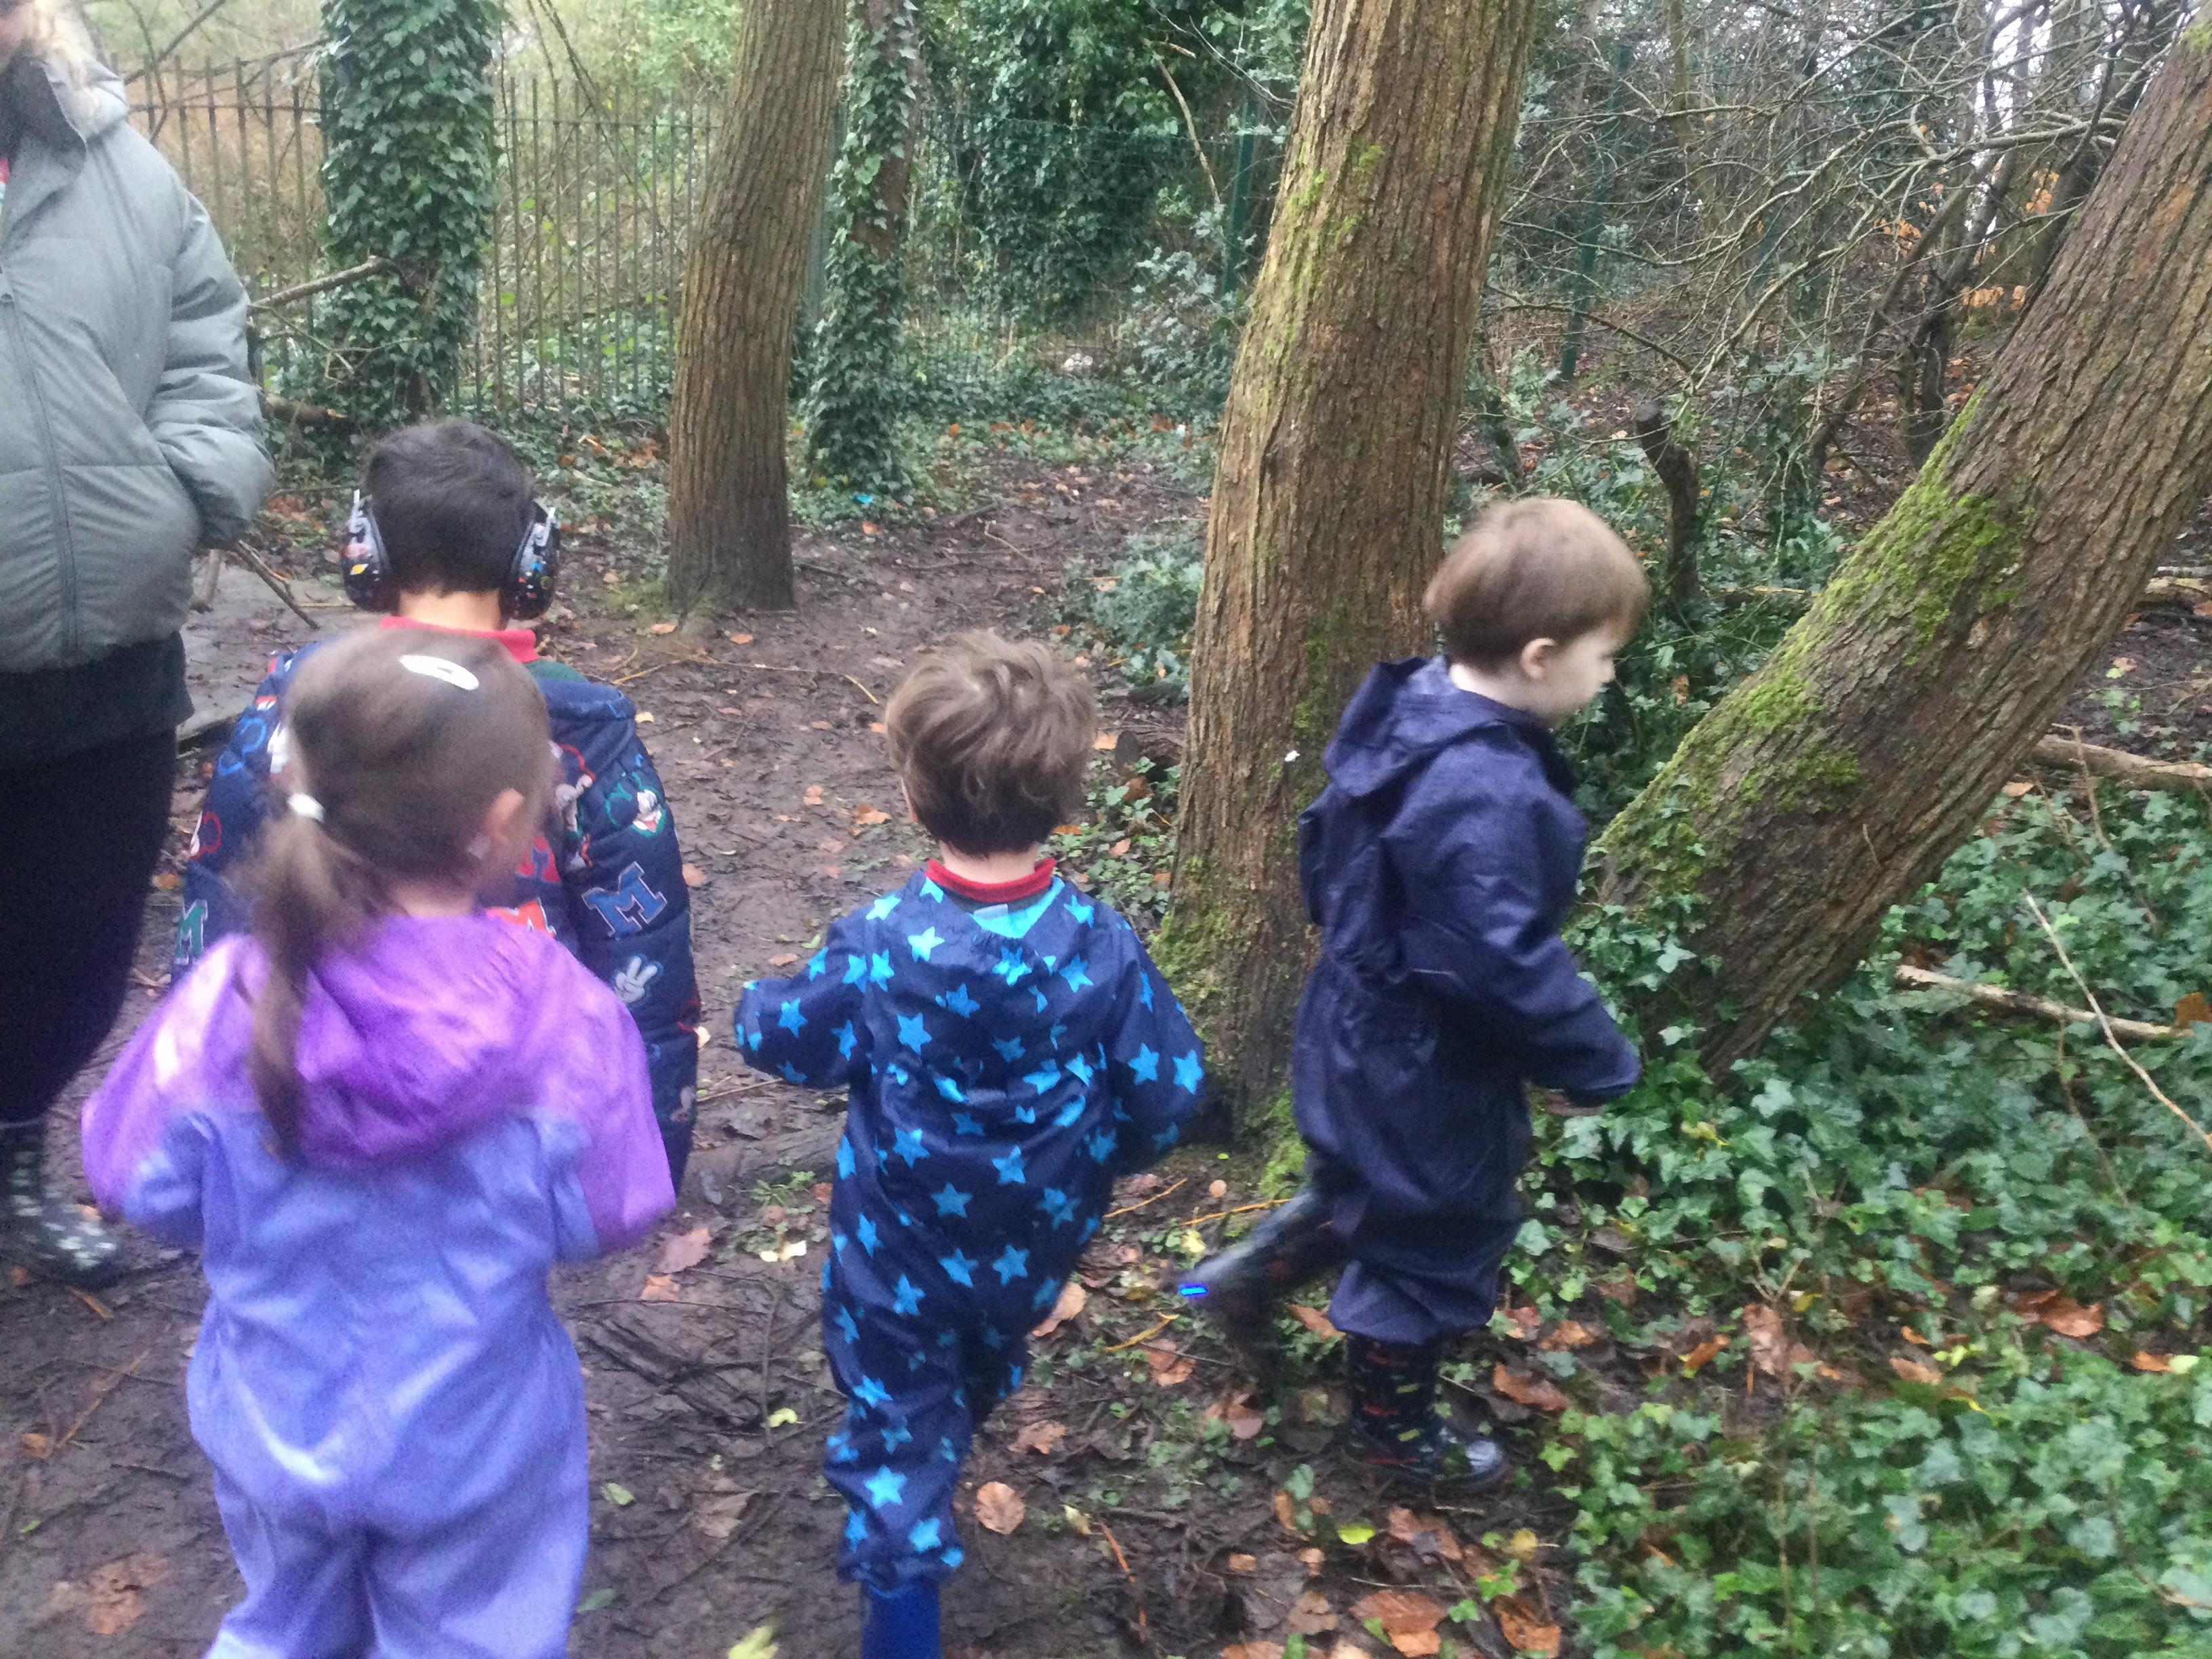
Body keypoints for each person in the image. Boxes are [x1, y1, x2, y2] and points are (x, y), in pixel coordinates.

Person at [82, 630, 675, 1658]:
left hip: (274, 1426)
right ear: (501, 823)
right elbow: (611, 1211)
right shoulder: (558, 1014)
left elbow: (130, 1175)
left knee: (283, 1628)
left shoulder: (228, 1000)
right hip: (477, 1441)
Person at [737, 633, 1204, 1659]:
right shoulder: (1103, 944)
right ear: (1067, 800)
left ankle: (903, 1597)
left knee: (899, 1421)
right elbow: (1171, 1093)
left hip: (894, 1258)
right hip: (1034, 1249)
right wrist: (1102, 1156)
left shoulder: (879, 942)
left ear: (915, 797)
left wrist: (751, 1003)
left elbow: (784, 1039)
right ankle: (951, 1426)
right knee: (982, 1353)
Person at [1181, 497, 1647, 1488]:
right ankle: (1394, 1437)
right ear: (1539, 656)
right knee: (1429, 1236)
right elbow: (1500, 958)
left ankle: (1237, 1283)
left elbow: (1323, 838)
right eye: (1605, 656)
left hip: (1350, 1019)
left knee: (1362, 1188)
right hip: (1422, 1062)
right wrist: (1593, 1056)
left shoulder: (1409, 710)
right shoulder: (1487, 791)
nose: (1611, 675)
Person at [176, 419, 701, 1185]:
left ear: (365, 553)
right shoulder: (585, 728)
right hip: (515, 1140)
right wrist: (647, 1157)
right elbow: (643, 955)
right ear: (532, 563)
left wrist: (208, 1131)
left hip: (305, 1118)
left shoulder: (302, 702)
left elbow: (222, 899)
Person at [0, 0, 272, 1282]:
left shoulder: (118, 163)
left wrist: (180, 491)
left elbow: (208, 340)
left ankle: (14, 1158)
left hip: (105, 659)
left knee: (73, 947)